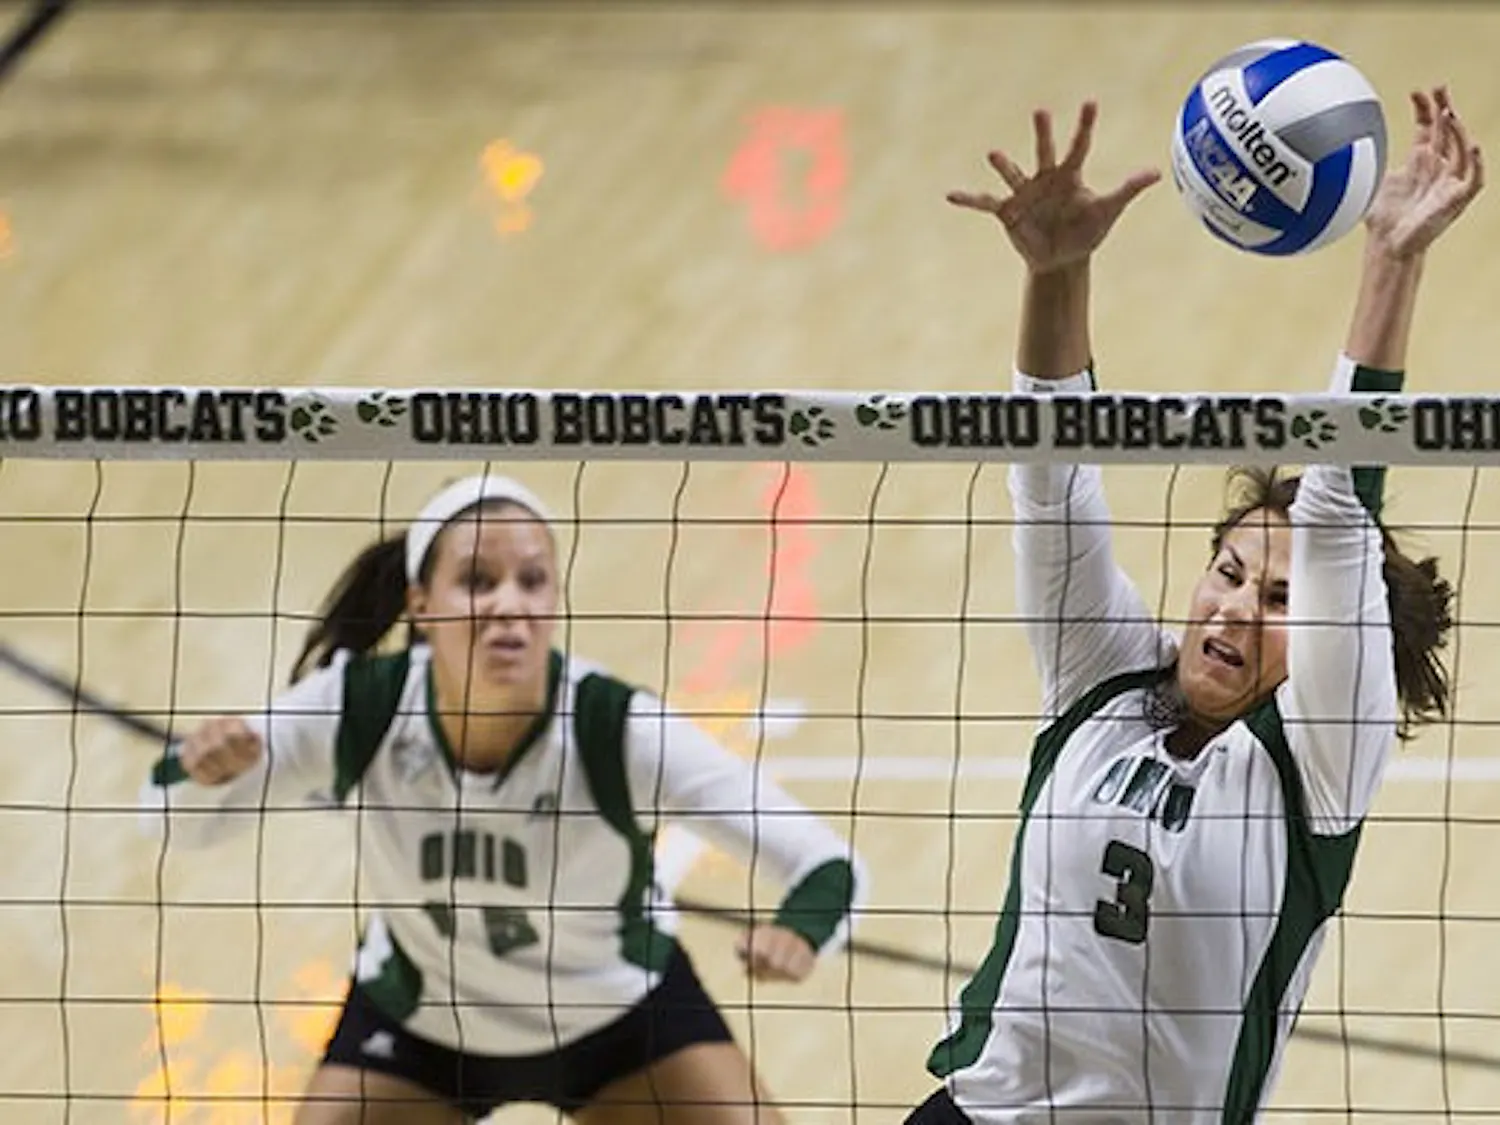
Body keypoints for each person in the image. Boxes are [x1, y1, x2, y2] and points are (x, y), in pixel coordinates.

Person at [908, 87, 1481, 1124]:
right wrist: (1057, 274)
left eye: (1279, 599)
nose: (1234, 610)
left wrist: (1391, 259)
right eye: (1228, 572)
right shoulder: (1102, 682)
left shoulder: (1313, 762)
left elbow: (1345, 503)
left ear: (1326, 643)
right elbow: (1051, 477)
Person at [141, 472, 866, 1125]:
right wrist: (201, 770)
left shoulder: (614, 726)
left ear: (555, 600)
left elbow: (827, 864)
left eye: (531, 580)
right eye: (479, 582)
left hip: (619, 1020)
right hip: (422, 1027)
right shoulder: (358, 707)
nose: (509, 605)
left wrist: (801, 930)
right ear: (421, 606)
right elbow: (168, 815)